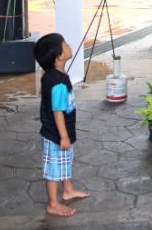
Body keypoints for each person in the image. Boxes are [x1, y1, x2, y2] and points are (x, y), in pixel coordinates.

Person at [33, 33, 89, 217]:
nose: (68, 45)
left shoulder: (55, 75)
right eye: (64, 44)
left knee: (65, 162)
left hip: (62, 131)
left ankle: (68, 190)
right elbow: (57, 111)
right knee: (54, 170)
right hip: (55, 134)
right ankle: (53, 204)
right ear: (58, 56)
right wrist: (63, 136)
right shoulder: (57, 82)